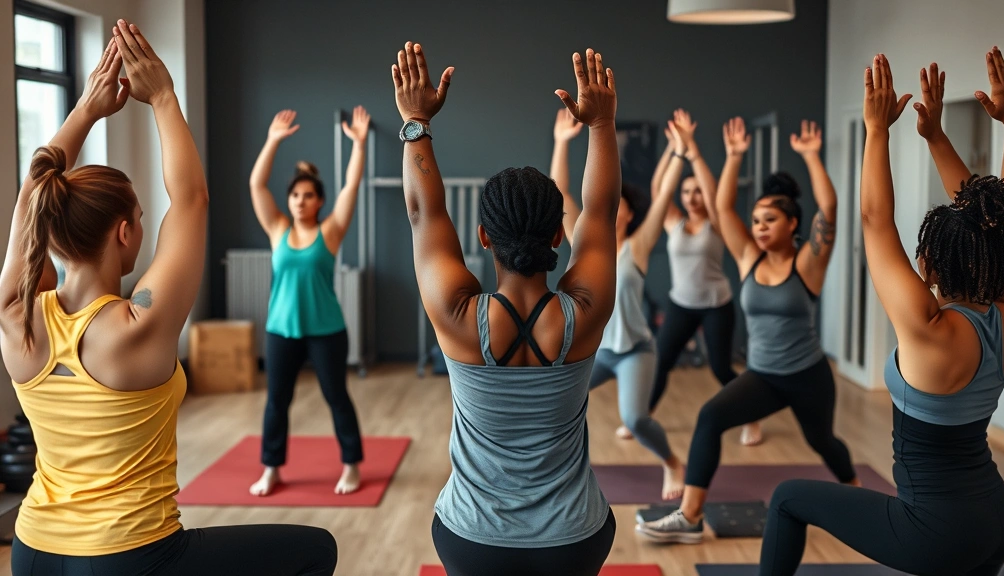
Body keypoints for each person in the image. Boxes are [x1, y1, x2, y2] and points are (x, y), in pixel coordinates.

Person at [0, 21, 337, 575]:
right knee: (315, 550)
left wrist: (85, 109)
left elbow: (32, 193)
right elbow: (191, 199)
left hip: (33, 552)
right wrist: (161, 97)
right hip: (129, 557)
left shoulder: (20, 318)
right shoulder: (136, 326)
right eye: (138, 217)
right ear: (126, 234)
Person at [758, 50, 1004, 576]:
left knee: (788, 497)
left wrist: (877, 131)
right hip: (997, 517)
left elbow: (875, 219)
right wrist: (968, 132)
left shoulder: (930, 329)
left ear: (930, 266)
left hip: (937, 529)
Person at [392, 41, 618, 576]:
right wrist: (602, 125)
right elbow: (603, 212)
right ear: (559, 234)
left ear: (483, 236)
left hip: (474, 539)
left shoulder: (456, 315)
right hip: (573, 540)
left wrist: (416, 120)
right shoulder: (582, 314)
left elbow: (423, 211)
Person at [637, 115, 857, 543]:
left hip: (808, 376)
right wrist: (734, 157)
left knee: (823, 442)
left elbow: (828, 210)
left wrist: (812, 157)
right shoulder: (747, 258)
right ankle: (690, 516)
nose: (758, 227)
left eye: (769, 220)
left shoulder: (808, 264)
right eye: (755, 220)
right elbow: (721, 208)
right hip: (763, 376)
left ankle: (855, 490)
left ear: (793, 224)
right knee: (710, 416)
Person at [551, 107, 686, 500]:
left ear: (626, 213)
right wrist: (561, 143)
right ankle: (564, 470)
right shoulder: (586, 244)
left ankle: (672, 463)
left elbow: (662, 198)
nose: (612, 207)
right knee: (557, 404)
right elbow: (559, 190)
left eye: (620, 203)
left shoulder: (638, 247)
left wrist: (677, 153)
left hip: (633, 351)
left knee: (635, 418)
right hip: (592, 351)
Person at [247, 104, 371, 496]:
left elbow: (351, 187)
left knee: (336, 397)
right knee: (276, 402)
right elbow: (257, 185)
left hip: (326, 330)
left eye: (308, 195)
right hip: (281, 329)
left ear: (319, 201)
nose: (300, 201)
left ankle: (350, 465)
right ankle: (272, 469)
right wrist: (272, 141)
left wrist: (360, 145)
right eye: (295, 195)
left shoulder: (330, 232)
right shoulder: (277, 229)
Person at [646, 108, 760, 446]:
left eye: (696, 191)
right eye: (686, 192)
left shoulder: (717, 222)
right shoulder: (673, 221)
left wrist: (693, 149)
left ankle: (751, 418)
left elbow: (714, 195)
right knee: (661, 363)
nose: (692, 197)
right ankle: (642, 418)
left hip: (716, 304)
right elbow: (657, 189)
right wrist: (674, 148)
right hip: (682, 303)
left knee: (721, 370)